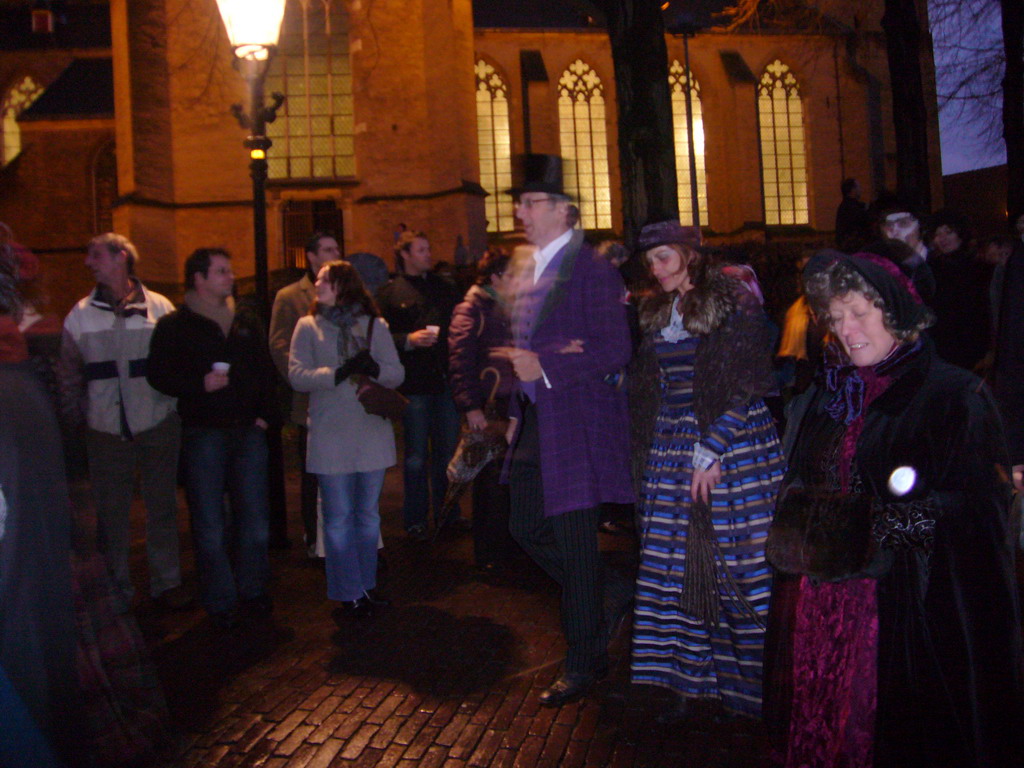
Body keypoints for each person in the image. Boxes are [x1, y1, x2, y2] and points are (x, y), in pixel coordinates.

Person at [764, 250, 1024, 767]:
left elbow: (982, 511)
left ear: (897, 312)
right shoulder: (830, 394)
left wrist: (881, 529)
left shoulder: (953, 395)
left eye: (859, 312)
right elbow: (804, 479)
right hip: (821, 610)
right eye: (836, 318)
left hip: (904, 613)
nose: (847, 329)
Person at [629, 220, 785, 722]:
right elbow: (649, 384)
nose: (656, 269)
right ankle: (689, 683)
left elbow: (747, 382)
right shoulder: (656, 310)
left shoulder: (733, 301)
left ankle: (750, 689)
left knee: (738, 564)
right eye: (650, 261)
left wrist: (712, 448)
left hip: (732, 448)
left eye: (665, 258)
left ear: (690, 256)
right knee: (673, 569)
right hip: (673, 448)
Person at [497, 154, 634, 707]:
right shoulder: (529, 268)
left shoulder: (593, 267)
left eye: (529, 203)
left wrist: (548, 366)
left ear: (562, 210)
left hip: (575, 423)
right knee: (523, 524)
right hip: (536, 423)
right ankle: (610, 591)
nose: (519, 212)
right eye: (519, 202)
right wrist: (513, 407)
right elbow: (522, 348)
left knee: (575, 544)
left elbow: (616, 348)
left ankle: (585, 659)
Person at [147, 248, 278, 628]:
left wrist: (265, 418)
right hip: (204, 433)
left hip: (247, 431)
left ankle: (253, 589)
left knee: (254, 518)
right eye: (222, 271)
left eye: (229, 269)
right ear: (199, 279)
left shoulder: (245, 322)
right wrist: (198, 385)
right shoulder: (176, 326)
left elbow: (264, 370)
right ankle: (220, 600)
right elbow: (158, 374)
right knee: (209, 522)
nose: (231, 276)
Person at [56, 232, 186, 611]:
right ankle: (118, 589)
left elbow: (178, 362)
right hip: (105, 429)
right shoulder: (80, 315)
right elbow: (68, 376)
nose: (88, 262)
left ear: (121, 258)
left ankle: (168, 582)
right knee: (111, 514)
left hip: (157, 420)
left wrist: (173, 409)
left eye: (96, 255)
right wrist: (77, 424)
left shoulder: (160, 308)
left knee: (162, 505)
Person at [288, 260, 403, 620]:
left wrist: (374, 369)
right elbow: (296, 375)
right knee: (337, 518)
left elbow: (397, 372)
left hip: (370, 432)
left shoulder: (374, 325)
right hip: (330, 434)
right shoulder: (307, 326)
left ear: (343, 285)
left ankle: (366, 586)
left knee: (367, 516)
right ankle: (348, 592)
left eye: (323, 280)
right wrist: (335, 373)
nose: (317, 284)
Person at [377, 230, 462, 540]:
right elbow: (377, 337)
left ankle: (447, 511)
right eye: (422, 250)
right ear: (406, 255)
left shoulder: (445, 289)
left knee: (447, 453)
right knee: (415, 457)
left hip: (443, 381)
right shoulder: (388, 294)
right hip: (413, 386)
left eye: (428, 248)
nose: (429, 254)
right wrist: (408, 341)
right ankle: (415, 518)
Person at [270, 230, 342, 556]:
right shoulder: (290, 296)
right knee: (314, 471)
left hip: (345, 401)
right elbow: (279, 345)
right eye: (328, 249)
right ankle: (315, 540)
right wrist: (304, 379)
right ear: (311, 257)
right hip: (311, 400)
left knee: (346, 468)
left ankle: (344, 537)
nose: (335, 253)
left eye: (337, 249)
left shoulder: (346, 293)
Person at [447, 247, 516, 570]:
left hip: (508, 401)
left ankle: (505, 547)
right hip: (488, 405)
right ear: (495, 277)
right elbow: (460, 362)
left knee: (505, 478)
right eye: (512, 274)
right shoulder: (472, 309)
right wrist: (471, 407)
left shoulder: (504, 306)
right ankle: (489, 553)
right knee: (489, 481)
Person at [927, 209, 991, 371]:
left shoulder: (979, 268)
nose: (943, 239)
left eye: (948, 232)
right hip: (941, 346)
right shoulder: (931, 269)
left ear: (960, 234)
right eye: (938, 234)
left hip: (972, 346)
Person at [835, 178, 869, 252]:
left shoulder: (846, 206)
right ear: (853, 190)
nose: (861, 190)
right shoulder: (852, 208)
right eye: (858, 187)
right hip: (854, 247)